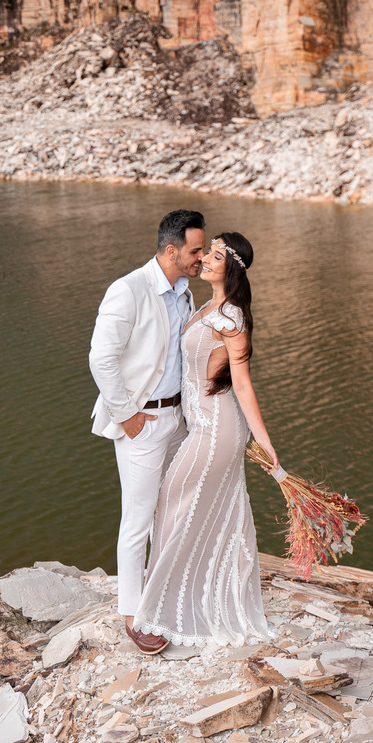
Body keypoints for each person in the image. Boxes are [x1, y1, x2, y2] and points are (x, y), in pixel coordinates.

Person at [133, 232, 279, 649]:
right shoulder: (204, 307)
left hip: (219, 430)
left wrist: (265, 442)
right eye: (207, 254)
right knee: (180, 506)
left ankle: (162, 610)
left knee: (175, 501)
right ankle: (177, 594)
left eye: (216, 257)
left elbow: (244, 385)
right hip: (199, 426)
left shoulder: (231, 319)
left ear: (230, 268)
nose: (206, 261)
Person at [89, 209, 207, 655]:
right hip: (143, 421)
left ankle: (164, 597)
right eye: (196, 250)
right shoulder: (129, 290)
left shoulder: (184, 291)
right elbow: (101, 360)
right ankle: (133, 615)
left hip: (177, 419)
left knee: (172, 514)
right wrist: (129, 416)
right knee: (138, 519)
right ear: (172, 249)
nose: (202, 257)